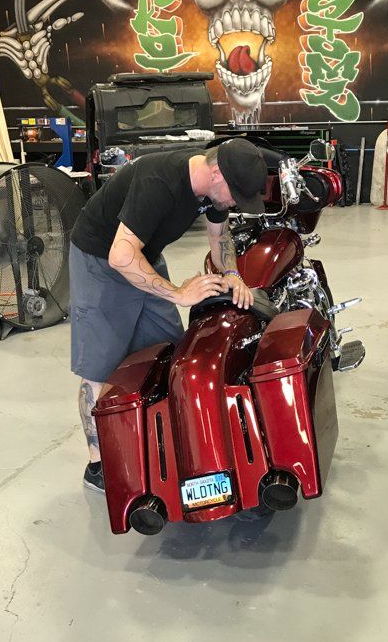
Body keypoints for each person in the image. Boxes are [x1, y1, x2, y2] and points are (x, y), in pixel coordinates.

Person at [69, 138, 267, 491]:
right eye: (235, 193)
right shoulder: (158, 181)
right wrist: (178, 292)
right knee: (99, 368)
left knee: (169, 349)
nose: (235, 203)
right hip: (100, 258)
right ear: (217, 172)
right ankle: (97, 466)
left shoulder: (211, 189)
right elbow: (119, 256)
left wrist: (233, 274)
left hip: (142, 253)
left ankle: (158, 440)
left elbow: (220, 238)